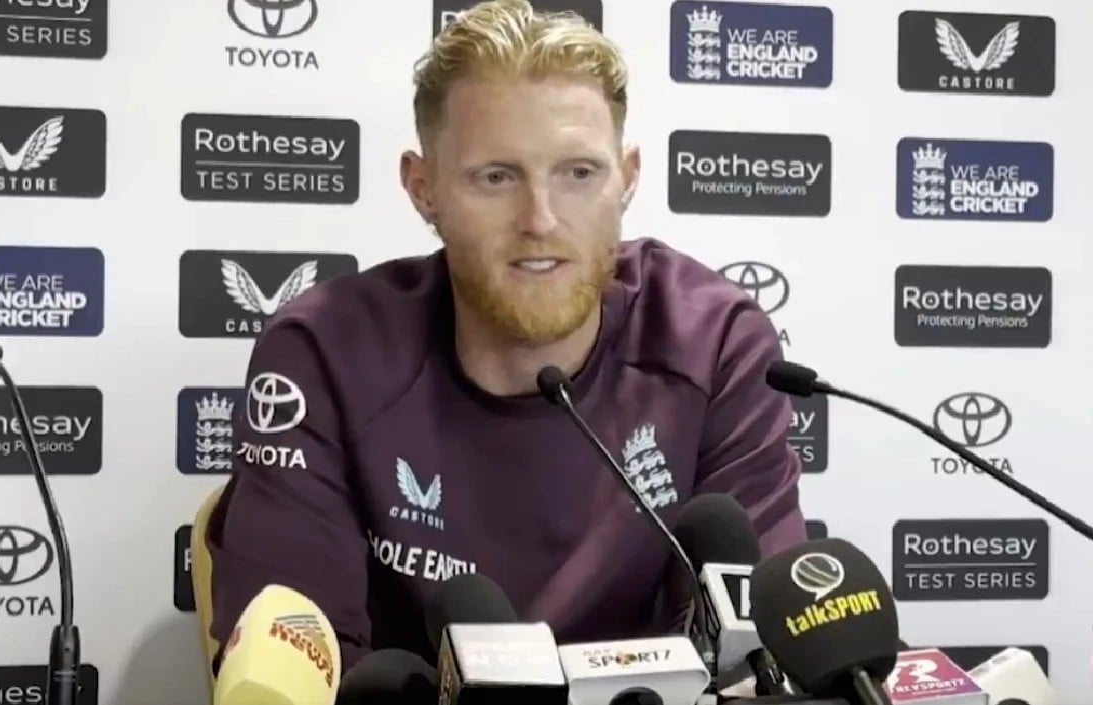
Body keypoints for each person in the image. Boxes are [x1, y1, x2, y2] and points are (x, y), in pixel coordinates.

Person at [205, 0, 806, 673]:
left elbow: (756, 660)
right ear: (423, 188)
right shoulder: (326, 354)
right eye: (496, 177)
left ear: (628, 178)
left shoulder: (715, 343)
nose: (540, 220)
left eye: (579, 173)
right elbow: (298, 669)